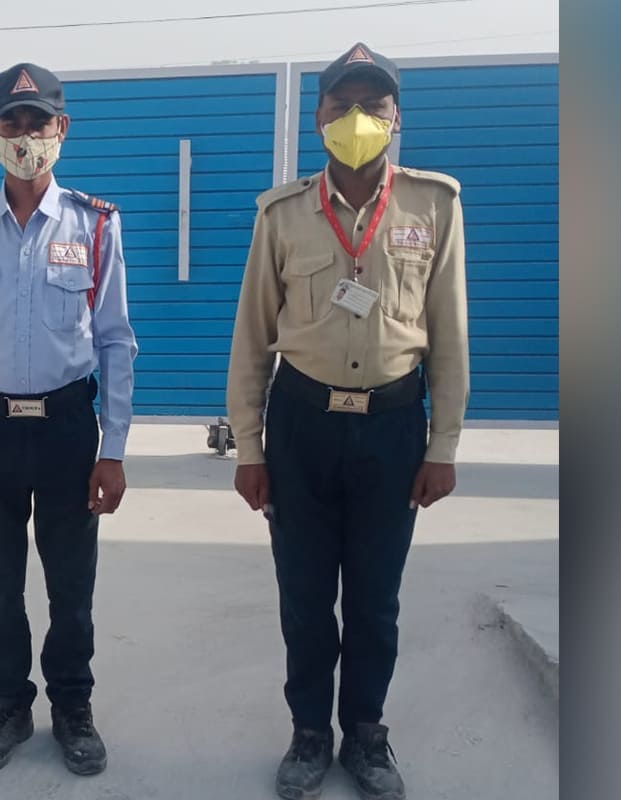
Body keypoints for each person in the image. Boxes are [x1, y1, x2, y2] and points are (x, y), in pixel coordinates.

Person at [225, 42, 469, 800]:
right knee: (304, 596)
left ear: (397, 118)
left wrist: (443, 444)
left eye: (374, 105)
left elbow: (450, 332)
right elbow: (251, 337)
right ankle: (309, 732)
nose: (357, 118)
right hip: (302, 426)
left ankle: (365, 731)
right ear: (319, 117)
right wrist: (250, 448)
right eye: (342, 105)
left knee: (374, 598)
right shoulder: (282, 214)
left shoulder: (433, 205)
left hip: (393, 428)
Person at [0, 62, 138, 777]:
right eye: (11, 122)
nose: (25, 136)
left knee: (71, 587)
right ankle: (7, 708)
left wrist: (113, 448)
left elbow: (115, 340)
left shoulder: (95, 223)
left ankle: (73, 709)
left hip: (67, 429)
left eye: (38, 121)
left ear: (61, 128)